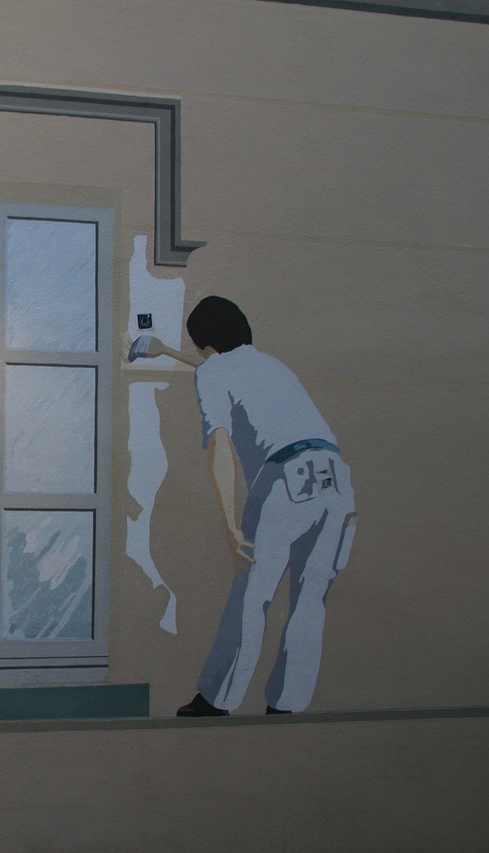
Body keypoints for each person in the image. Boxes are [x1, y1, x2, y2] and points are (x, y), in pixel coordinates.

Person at [130, 296, 356, 715]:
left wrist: (232, 526)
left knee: (252, 596)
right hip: (335, 480)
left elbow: (220, 444)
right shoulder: (272, 366)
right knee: (310, 600)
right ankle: (288, 702)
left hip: (285, 479)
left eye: (197, 346)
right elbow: (228, 374)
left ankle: (217, 699)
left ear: (206, 342)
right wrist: (170, 353)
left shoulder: (214, 371)